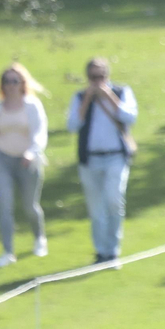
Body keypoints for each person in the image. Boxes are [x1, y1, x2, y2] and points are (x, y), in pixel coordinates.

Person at [65, 57, 137, 264]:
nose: (98, 81)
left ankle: (113, 251)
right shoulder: (80, 97)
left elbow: (129, 117)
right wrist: (87, 101)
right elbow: (72, 125)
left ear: (108, 75)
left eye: (101, 76)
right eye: (93, 77)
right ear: (87, 77)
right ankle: (101, 252)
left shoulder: (122, 92)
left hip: (116, 157)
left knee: (114, 202)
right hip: (91, 160)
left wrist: (110, 97)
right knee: (97, 208)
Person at [0, 63, 49, 268]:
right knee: (3, 205)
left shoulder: (32, 106)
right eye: (7, 81)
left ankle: (39, 238)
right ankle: (7, 252)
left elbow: (40, 133)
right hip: (3, 162)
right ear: (2, 85)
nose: (11, 85)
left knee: (30, 205)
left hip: (27, 162)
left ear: (23, 83)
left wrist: (32, 152)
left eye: (15, 81)